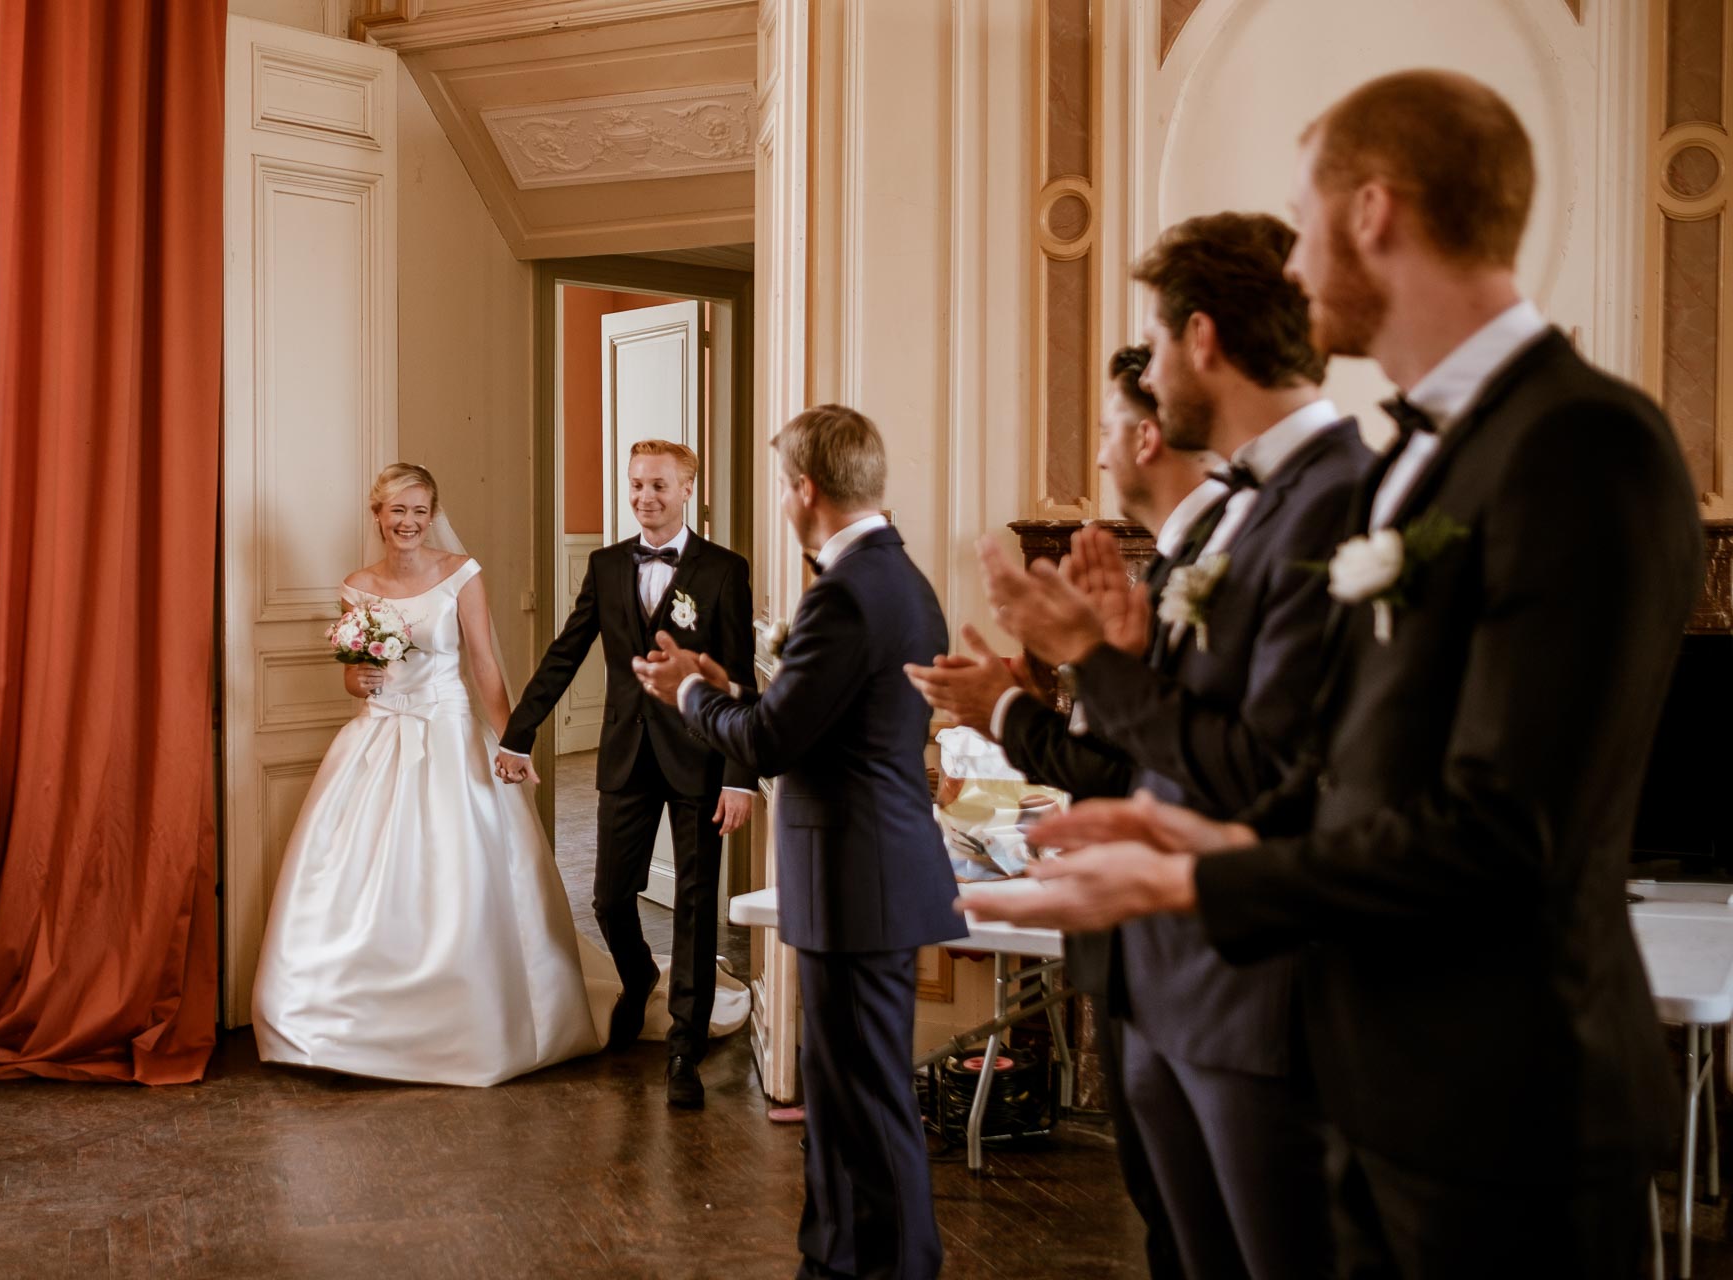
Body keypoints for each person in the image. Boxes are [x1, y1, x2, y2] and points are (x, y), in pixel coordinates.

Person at [968, 70, 1703, 1276]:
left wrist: (1207, 884)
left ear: (1374, 212)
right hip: (1376, 1076)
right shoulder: (1431, 454)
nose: (1295, 273)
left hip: (1504, 1104)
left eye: (1305, 229)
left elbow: (1502, 827)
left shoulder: (1580, 443)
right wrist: (1200, 844)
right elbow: (1364, 772)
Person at [922, 213, 1372, 1279]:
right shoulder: (1257, 507)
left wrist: (1088, 666)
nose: (1151, 367)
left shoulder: (1329, 502)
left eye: (1159, 340)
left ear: (1202, 340)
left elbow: (1264, 768)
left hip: (1251, 979)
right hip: (1173, 975)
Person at [909, 342, 1214, 1280]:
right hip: (1134, 944)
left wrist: (1005, 711)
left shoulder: (1211, 567)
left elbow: (1151, 770)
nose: (1101, 459)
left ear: (1150, 434)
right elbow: (1112, 758)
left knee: (1201, 1228)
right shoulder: (1163, 571)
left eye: (1110, 432)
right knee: (1169, 1221)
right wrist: (1011, 705)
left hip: (1187, 945)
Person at [636, 405, 959, 1280]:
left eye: (784, 486)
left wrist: (688, 698)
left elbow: (776, 741)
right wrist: (723, 684)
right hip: (866, 872)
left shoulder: (851, 593)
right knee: (846, 1096)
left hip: (860, 877)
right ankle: (837, 1260)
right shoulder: (896, 578)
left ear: (805, 489)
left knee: (867, 1102)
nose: (784, 501)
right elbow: (813, 722)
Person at [252, 463, 611, 1086]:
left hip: (447, 735)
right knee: (356, 878)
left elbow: (485, 666)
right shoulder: (358, 587)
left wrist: (513, 744)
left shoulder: (460, 575)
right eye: (397, 512)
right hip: (378, 738)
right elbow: (356, 671)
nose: (409, 523)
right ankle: (344, 1025)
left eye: (419, 511)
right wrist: (353, 678)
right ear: (378, 516)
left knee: (455, 873)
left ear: (432, 513)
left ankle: (471, 1021)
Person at [494, 439, 756, 1109]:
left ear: (687, 489)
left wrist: (738, 776)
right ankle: (639, 980)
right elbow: (567, 651)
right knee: (611, 897)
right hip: (625, 754)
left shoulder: (724, 570)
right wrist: (519, 734)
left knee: (696, 907)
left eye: (660, 486)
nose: (645, 497)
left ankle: (683, 1050)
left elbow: (742, 678)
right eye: (637, 484)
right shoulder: (607, 565)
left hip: (700, 755)